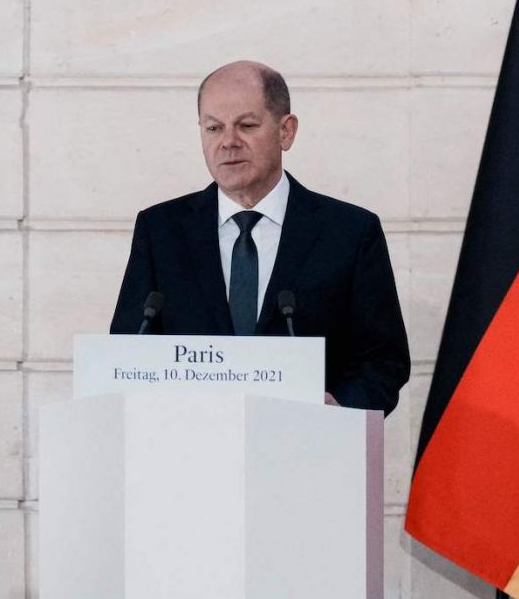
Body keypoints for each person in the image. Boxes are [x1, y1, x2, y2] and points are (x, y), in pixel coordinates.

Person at [109, 61, 411, 415]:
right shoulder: (161, 230)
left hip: (307, 448)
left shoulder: (350, 231)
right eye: (213, 128)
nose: (228, 142)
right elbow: (129, 350)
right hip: (189, 448)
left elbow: (382, 360)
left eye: (247, 125)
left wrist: (338, 407)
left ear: (286, 131)